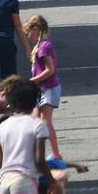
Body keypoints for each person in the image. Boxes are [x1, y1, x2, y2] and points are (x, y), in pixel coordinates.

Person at [24, 15, 63, 161]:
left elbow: (50, 69)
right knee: (35, 121)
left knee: (46, 121)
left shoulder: (44, 46)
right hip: (41, 89)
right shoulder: (39, 46)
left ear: (37, 29)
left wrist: (32, 80)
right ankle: (34, 154)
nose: (28, 35)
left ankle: (56, 154)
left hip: (49, 88)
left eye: (29, 31)